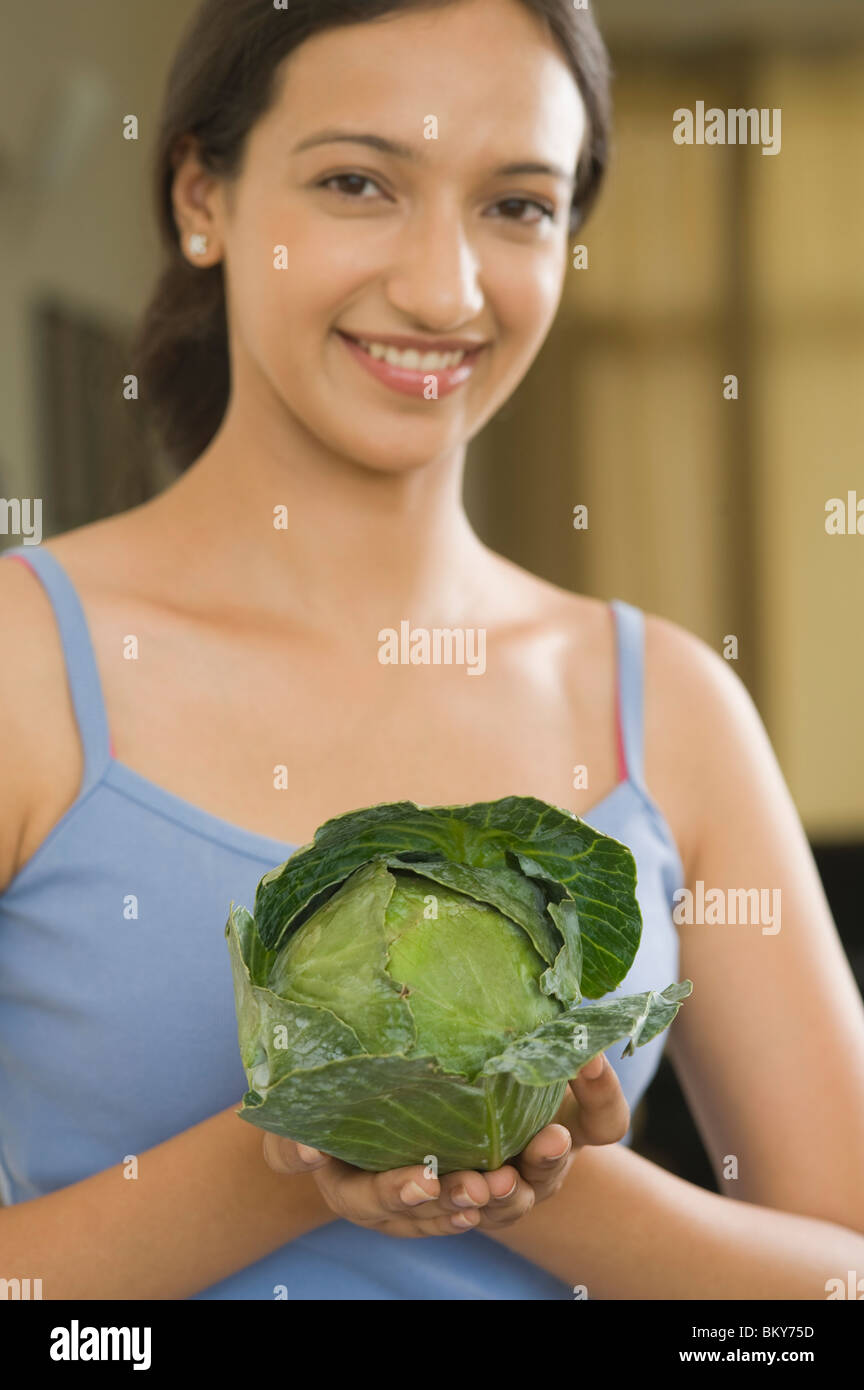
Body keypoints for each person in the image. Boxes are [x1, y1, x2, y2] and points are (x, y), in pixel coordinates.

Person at [1, 0, 863, 1301]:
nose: (443, 288)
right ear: (202, 195)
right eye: (359, 181)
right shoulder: (22, 664)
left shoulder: (668, 702)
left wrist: (519, 1162)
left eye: (516, 205)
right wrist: (296, 1145)